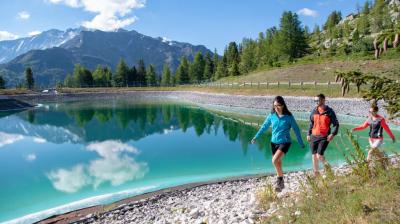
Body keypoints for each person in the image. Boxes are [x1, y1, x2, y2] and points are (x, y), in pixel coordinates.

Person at [251, 96, 305, 192]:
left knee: (274, 160)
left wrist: (300, 142)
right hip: (273, 142)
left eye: (278, 105)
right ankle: (281, 183)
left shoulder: (289, 117)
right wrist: (256, 137)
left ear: (283, 105)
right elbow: (264, 127)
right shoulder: (272, 115)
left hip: (285, 142)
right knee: (278, 162)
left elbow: (296, 129)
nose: (276, 107)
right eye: (275, 105)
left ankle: (279, 179)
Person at [307, 93, 339, 176]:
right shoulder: (314, 110)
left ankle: (329, 169)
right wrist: (308, 133)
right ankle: (316, 174)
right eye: (315, 100)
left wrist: (332, 134)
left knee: (319, 155)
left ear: (323, 100)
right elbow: (311, 123)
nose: (316, 102)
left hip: (324, 137)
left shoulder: (329, 111)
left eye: (318, 100)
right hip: (314, 135)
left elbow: (336, 124)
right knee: (314, 155)